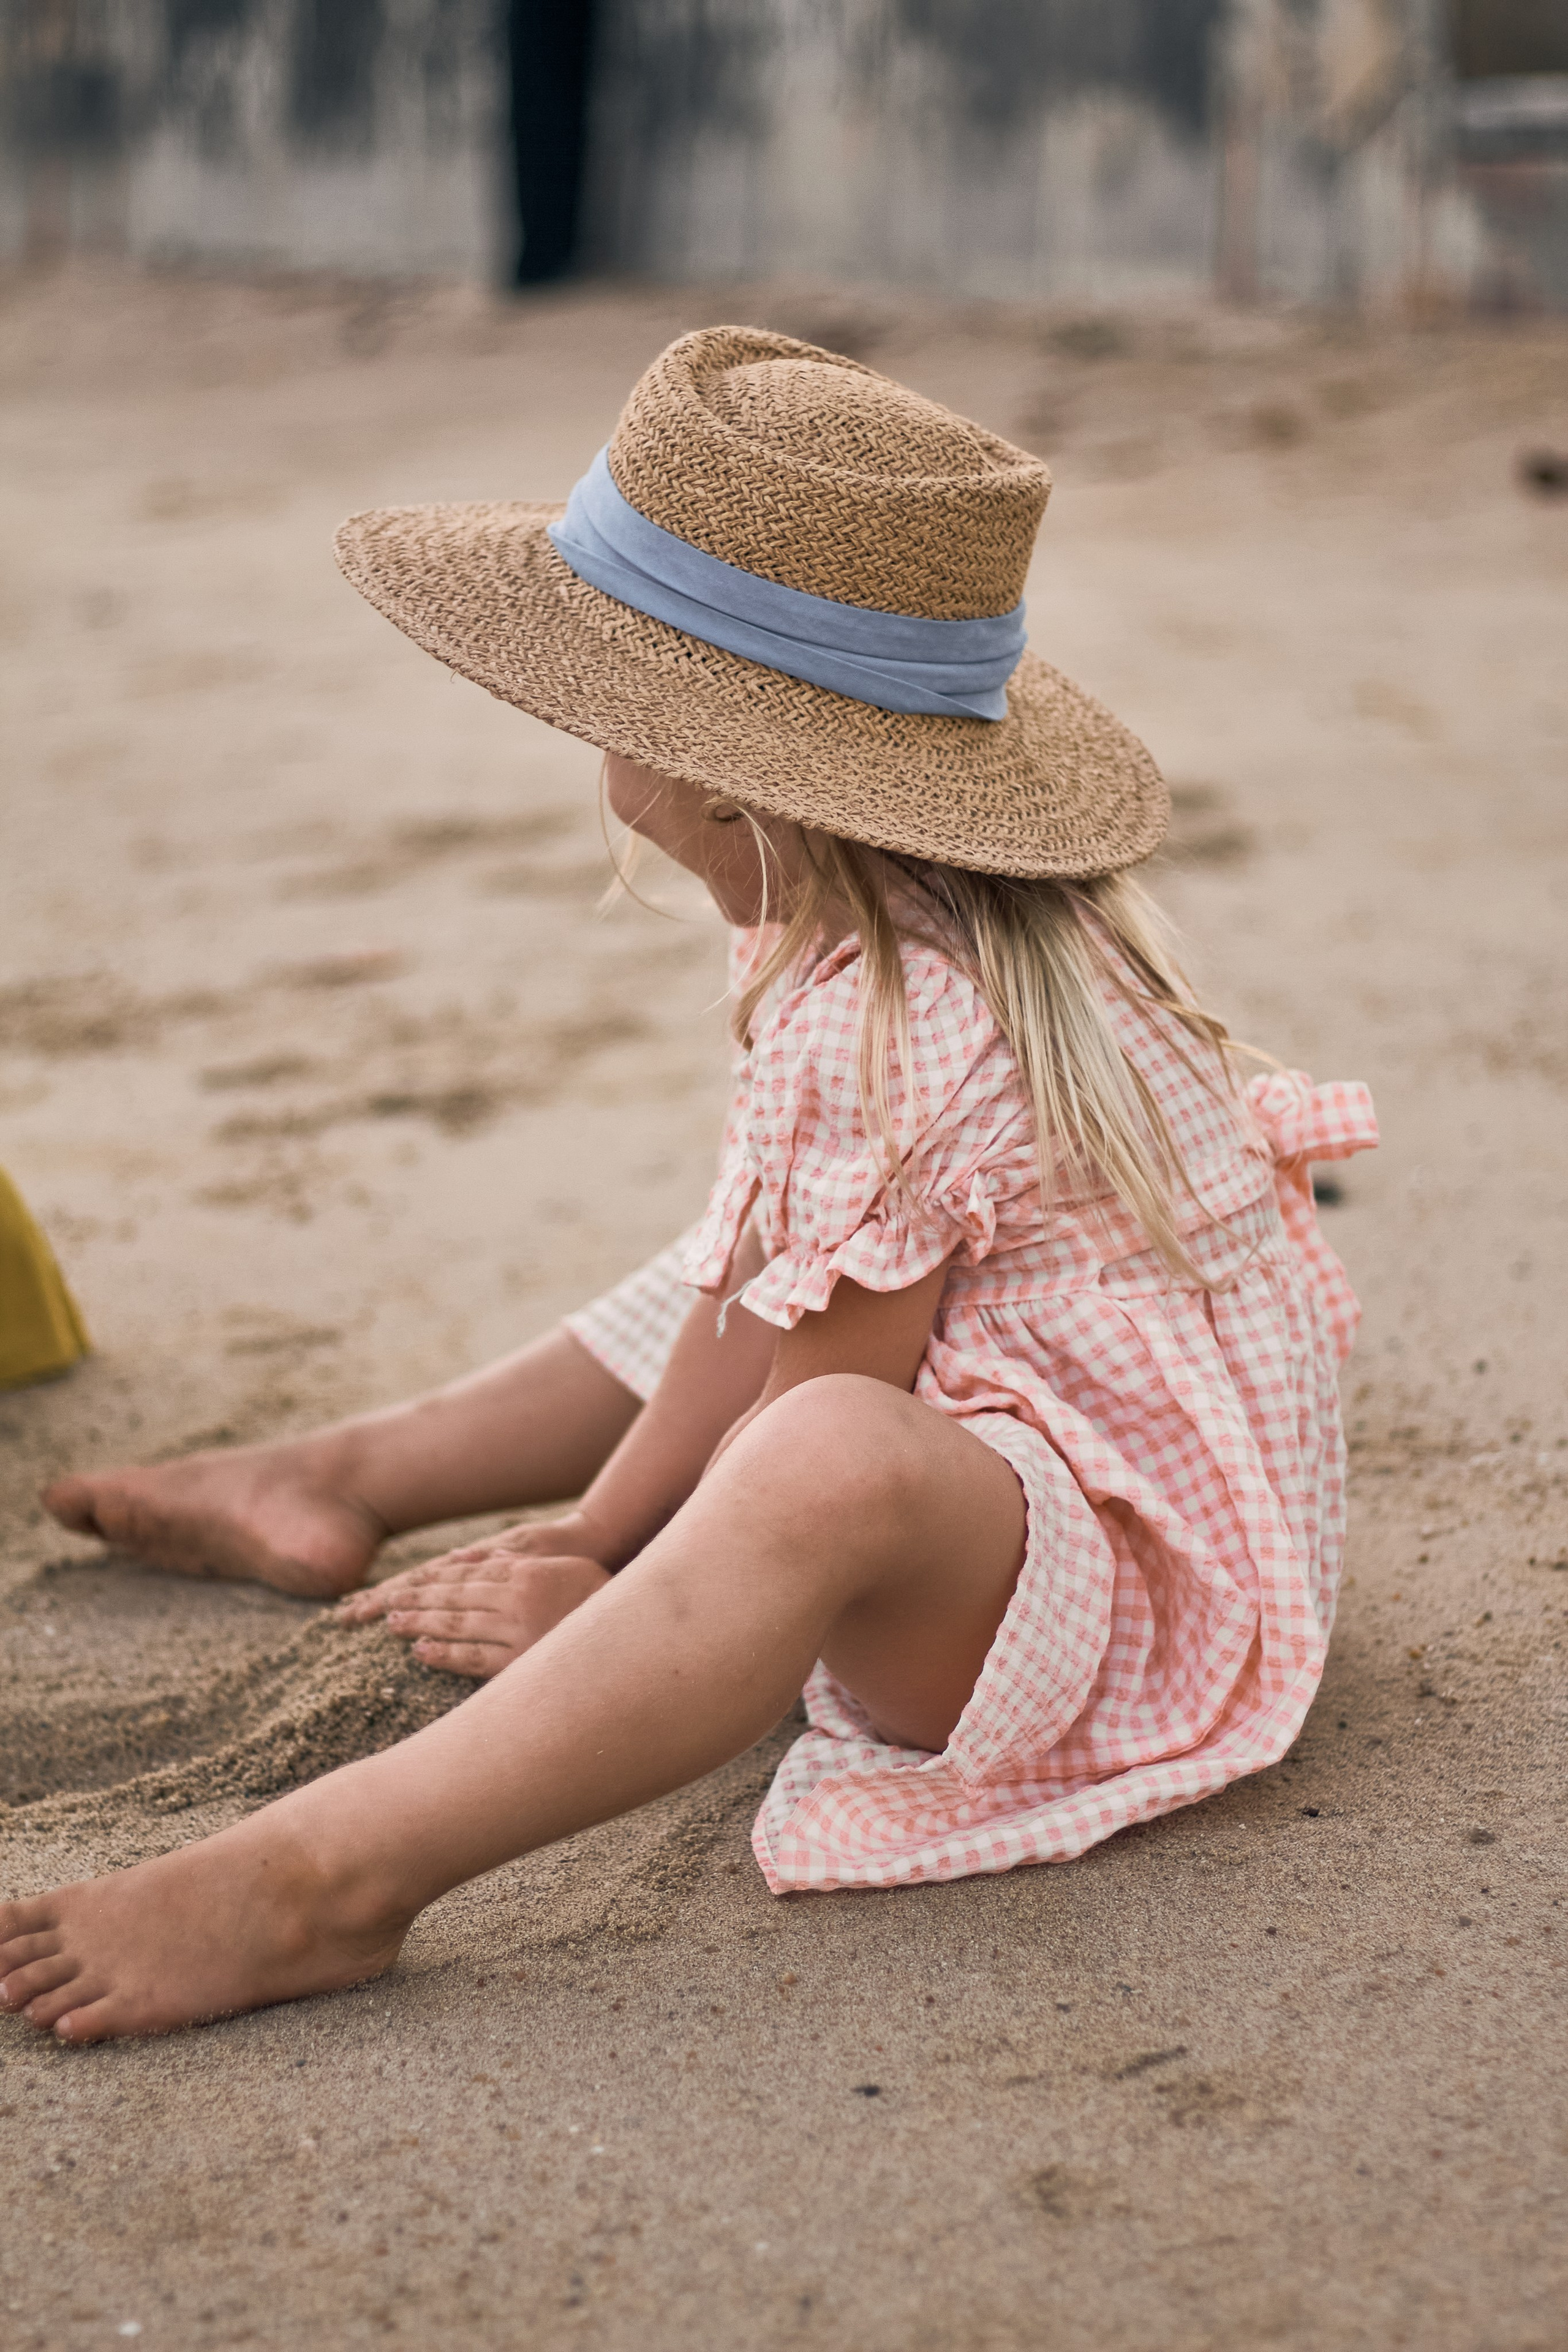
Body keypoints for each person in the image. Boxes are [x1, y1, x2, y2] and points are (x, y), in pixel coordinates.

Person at [1, 326, 1375, 2044]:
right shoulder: (911, 926)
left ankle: (329, 1877)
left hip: (1117, 1607)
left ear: (717, 769)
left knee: (817, 1461)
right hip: (1134, 1472)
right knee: (724, 1269)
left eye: (595, 704)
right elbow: (753, 1293)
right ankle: (341, 1474)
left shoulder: (895, 1023)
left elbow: (805, 1412)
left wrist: (621, 1585)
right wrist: (589, 1529)